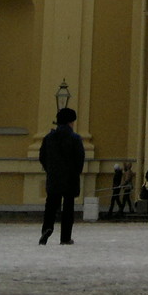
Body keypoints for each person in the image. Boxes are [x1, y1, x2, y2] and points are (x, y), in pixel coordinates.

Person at [38, 105, 86, 245]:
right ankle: (65, 237)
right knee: (68, 208)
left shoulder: (49, 138)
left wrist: (50, 169)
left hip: (54, 177)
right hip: (70, 178)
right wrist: (76, 172)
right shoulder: (75, 138)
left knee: (51, 206)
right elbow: (80, 158)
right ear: (70, 122)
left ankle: (47, 228)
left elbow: (42, 156)